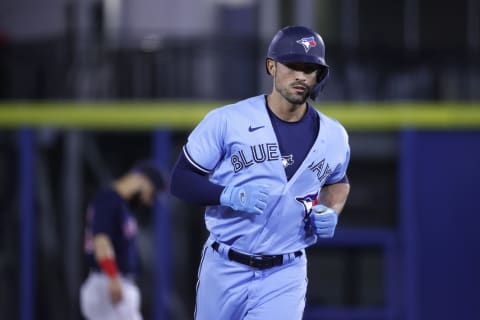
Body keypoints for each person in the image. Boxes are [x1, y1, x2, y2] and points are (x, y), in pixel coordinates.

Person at [170, 25, 351, 320]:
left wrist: (332, 210)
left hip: (285, 272)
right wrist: (226, 194)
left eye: (310, 69)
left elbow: (338, 181)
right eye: (293, 66)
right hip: (225, 265)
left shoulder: (334, 136)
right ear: (271, 66)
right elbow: (180, 180)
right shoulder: (228, 120)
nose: (301, 76)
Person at [80, 160, 166, 320]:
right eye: (152, 192)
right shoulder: (108, 199)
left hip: (112, 283)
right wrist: (112, 276)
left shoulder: (119, 204)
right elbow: (101, 240)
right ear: (143, 180)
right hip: (109, 283)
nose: (150, 199)